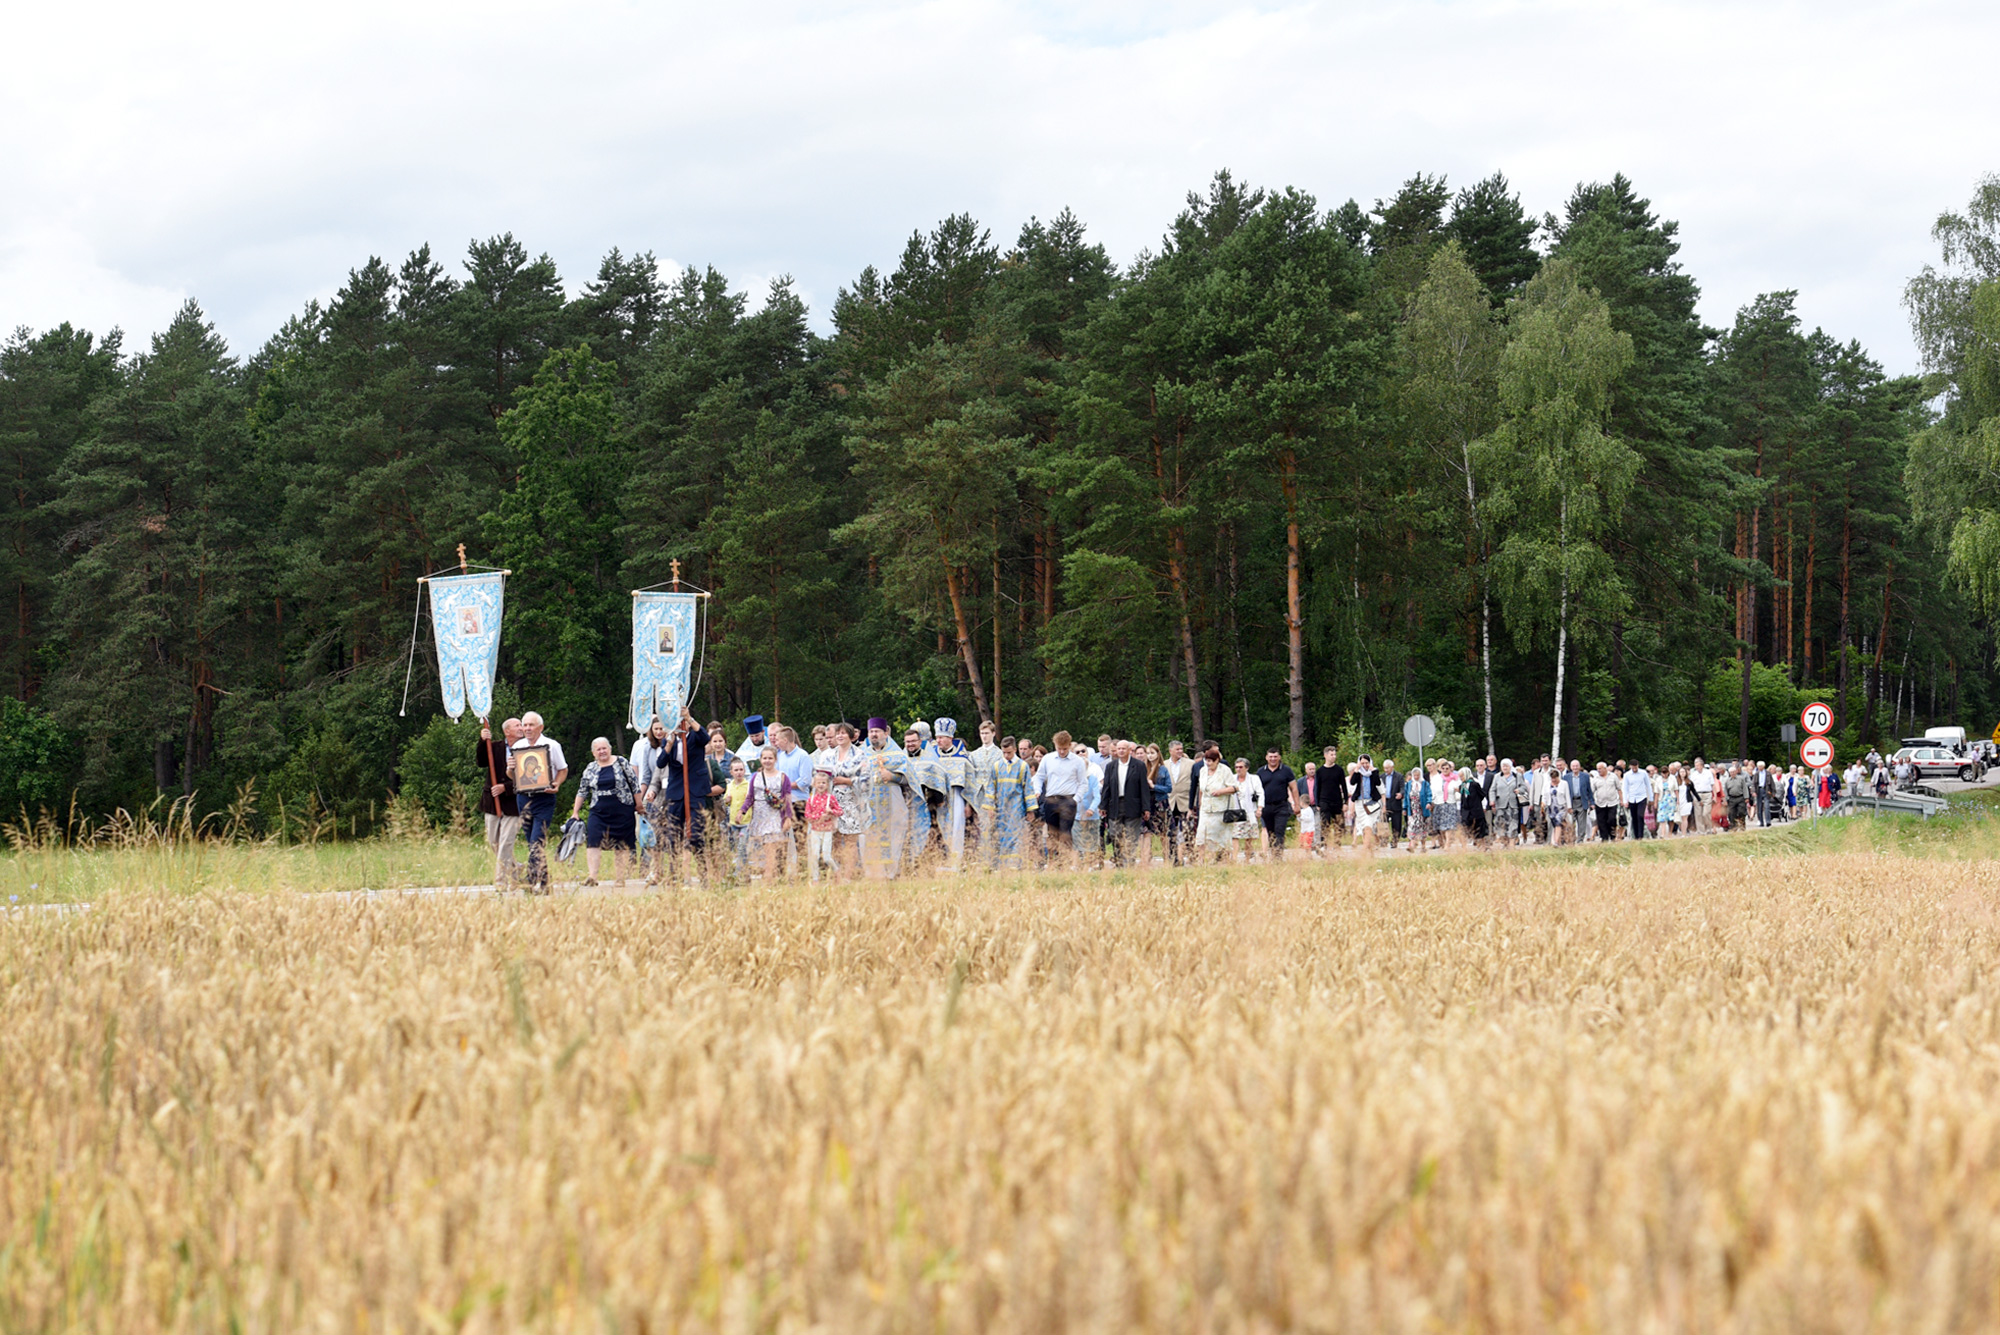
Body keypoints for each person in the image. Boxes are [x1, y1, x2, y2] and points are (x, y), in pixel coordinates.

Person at [646, 708, 710, 884]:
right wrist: (669, 743)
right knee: (674, 835)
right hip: (676, 792)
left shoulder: (695, 737)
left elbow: (705, 737)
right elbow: (660, 763)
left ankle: (704, 873)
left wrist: (689, 718)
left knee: (696, 835)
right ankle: (674, 874)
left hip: (695, 791)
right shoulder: (670, 741)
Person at [571, 735, 641, 885]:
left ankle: (620, 878)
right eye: (598, 749)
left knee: (621, 844)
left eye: (604, 748)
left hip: (622, 808)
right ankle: (592, 877)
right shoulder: (591, 768)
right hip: (599, 810)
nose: (602, 751)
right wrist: (575, 812)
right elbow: (582, 791)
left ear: (610, 749)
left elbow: (635, 785)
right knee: (593, 840)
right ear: (593, 753)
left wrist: (639, 805)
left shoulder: (622, 762)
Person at [512, 711, 569, 894]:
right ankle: (544, 884)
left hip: (544, 798)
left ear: (540, 727)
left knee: (537, 840)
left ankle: (530, 881)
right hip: (523, 798)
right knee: (531, 842)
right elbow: (513, 776)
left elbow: (563, 769)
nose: (527, 728)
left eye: (531, 725)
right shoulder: (518, 746)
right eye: (525, 725)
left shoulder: (551, 745)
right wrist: (510, 768)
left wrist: (557, 784)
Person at [478, 717, 523, 890]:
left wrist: (506, 787)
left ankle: (500, 881)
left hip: (513, 802)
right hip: (492, 801)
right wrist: (483, 741)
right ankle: (516, 869)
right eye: (517, 725)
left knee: (506, 842)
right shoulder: (494, 746)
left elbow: (530, 778)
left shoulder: (527, 749)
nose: (521, 728)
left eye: (521, 725)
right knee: (493, 841)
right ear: (507, 731)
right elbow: (481, 762)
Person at [740, 746, 794, 880]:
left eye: (770, 758)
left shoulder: (782, 777)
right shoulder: (755, 777)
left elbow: (787, 799)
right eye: (765, 758)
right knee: (763, 851)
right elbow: (750, 797)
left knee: (771, 849)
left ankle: (768, 878)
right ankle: (771, 876)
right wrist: (742, 811)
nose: (767, 761)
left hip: (775, 816)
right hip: (759, 817)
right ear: (761, 760)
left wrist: (788, 817)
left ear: (775, 759)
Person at [1034, 730, 1087, 867]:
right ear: (1054, 745)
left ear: (1069, 746)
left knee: (1065, 832)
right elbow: (1039, 777)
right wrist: (1037, 790)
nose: (1062, 752)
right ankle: (1053, 862)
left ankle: (1066, 862)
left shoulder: (1077, 762)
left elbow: (1083, 783)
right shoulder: (1048, 759)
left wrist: (1075, 799)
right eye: (1059, 748)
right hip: (1051, 799)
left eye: (1064, 749)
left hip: (1068, 799)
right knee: (1052, 832)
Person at [1103, 738, 1153, 867]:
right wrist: (1103, 806)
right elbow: (1106, 787)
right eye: (1118, 749)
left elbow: (1144, 788)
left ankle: (1129, 863)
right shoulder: (1111, 766)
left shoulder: (1139, 765)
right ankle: (1119, 860)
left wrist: (1146, 808)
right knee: (1114, 833)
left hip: (1133, 805)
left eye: (1123, 748)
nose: (1120, 751)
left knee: (1131, 835)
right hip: (1115, 804)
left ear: (1130, 750)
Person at [1195, 747, 1237, 861]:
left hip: (1221, 809)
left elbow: (1234, 787)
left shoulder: (1225, 770)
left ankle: (1223, 860)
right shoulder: (1203, 771)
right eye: (1206, 761)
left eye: (1210, 761)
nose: (1208, 763)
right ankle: (1201, 860)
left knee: (1220, 838)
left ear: (1217, 760)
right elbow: (1201, 789)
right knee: (1201, 835)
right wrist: (1199, 803)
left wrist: (1221, 791)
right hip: (1206, 808)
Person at [1252, 748, 1295, 856]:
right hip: (1266, 806)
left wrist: (1296, 804)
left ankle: (1278, 856)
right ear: (1266, 757)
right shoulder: (1261, 772)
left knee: (1279, 830)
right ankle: (1274, 851)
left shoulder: (1286, 770)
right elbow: (1256, 790)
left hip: (1281, 805)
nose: (1273, 759)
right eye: (1270, 757)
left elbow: (1293, 788)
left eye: (1275, 756)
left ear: (1279, 757)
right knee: (1270, 832)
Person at [803, 771, 841, 882]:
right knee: (814, 855)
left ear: (827, 784)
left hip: (827, 830)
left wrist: (831, 811)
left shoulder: (831, 798)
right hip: (815, 830)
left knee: (826, 856)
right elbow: (807, 815)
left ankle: (836, 871)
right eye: (818, 783)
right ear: (814, 784)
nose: (821, 785)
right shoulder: (811, 800)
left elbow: (840, 811)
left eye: (823, 783)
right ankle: (815, 878)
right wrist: (819, 816)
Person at [721, 756, 754, 876]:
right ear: (731, 772)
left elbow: (751, 801)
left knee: (742, 846)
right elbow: (725, 801)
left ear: (744, 771)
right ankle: (744, 871)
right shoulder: (730, 786)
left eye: (741, 770)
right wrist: (727, 800)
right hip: (733, 821)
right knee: (736, 847)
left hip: (746, 821)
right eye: (736, 770)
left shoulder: (748, 785)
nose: (739, 773)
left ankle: (739, 871)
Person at [1316, 745, 1347, 856]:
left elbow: (1344, 786)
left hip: (1337, 800)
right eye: (1331, 755)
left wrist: (1345, 802)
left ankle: (1337, 844)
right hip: (1324, 800)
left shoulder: (1339, 770)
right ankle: (1324, 845)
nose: (1333, 757)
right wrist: (1317, 802)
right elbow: (1317, 787)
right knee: (1325, 823)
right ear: (1325, 756)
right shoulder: (1320, 771)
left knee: (1338, 824)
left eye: (1334, 754)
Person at [1622, 759, 1652, 840]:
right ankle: (1635, 836)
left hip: (1642, 797)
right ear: (1630, 766)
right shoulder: (1627, 775)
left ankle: (1640, 835)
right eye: (1633, 767)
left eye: (1636, 767)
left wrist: (1651, 798)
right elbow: (1625, 788)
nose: (1635, 768)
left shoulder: (1643, 773)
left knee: (1640, 815)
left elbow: (1648, 785)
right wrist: (1625, 800)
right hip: (1632, 798)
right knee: (1634, 817)